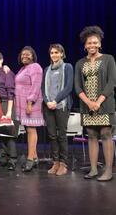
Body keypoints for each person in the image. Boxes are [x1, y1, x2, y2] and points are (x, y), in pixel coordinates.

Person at [75, 26, 116, 181]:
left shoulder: (108, 59)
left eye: (95, 42)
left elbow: (112, 82)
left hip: (104, 104)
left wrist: (98, 102)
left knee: (106, 135)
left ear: (100, 44)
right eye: (89, 43)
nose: (92, 45)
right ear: (85, 45)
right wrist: (88, 102)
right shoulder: (80, 63)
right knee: (91, 135)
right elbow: (77, 86)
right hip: (87, 106)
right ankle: (93, 170)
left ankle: (108, 171)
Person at [41, 44, 73, 176]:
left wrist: (56, 101)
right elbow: (43, 88)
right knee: (52, 135)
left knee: (61, 135)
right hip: (48, 106)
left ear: (62, 54)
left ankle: (63, 163)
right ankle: (55, 162)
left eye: (56, 52)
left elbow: (68, 87)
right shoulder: (47, 69)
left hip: (61, 105)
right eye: (52, 53)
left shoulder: (67, 67)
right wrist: (48, 101)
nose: (54, 55)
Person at [15, 46, 44, 172]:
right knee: (28, 130)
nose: (24, 56)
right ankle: (35, 158)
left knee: (31, 130)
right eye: (22, 55)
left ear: (33, 56)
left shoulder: (35, 67)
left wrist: (29, 103)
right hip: (22, 104)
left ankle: (30, 159)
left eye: (28, 54)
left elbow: (36, 86)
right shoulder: (23, 68)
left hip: (31, 103)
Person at [0, 50, 18, 171]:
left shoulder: (7, 72)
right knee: (1, 132)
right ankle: (5, 157)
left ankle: (13, 159)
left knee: (9, 132)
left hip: (7, 103)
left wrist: (9, 112)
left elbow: (10, 92)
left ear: (1, 60)